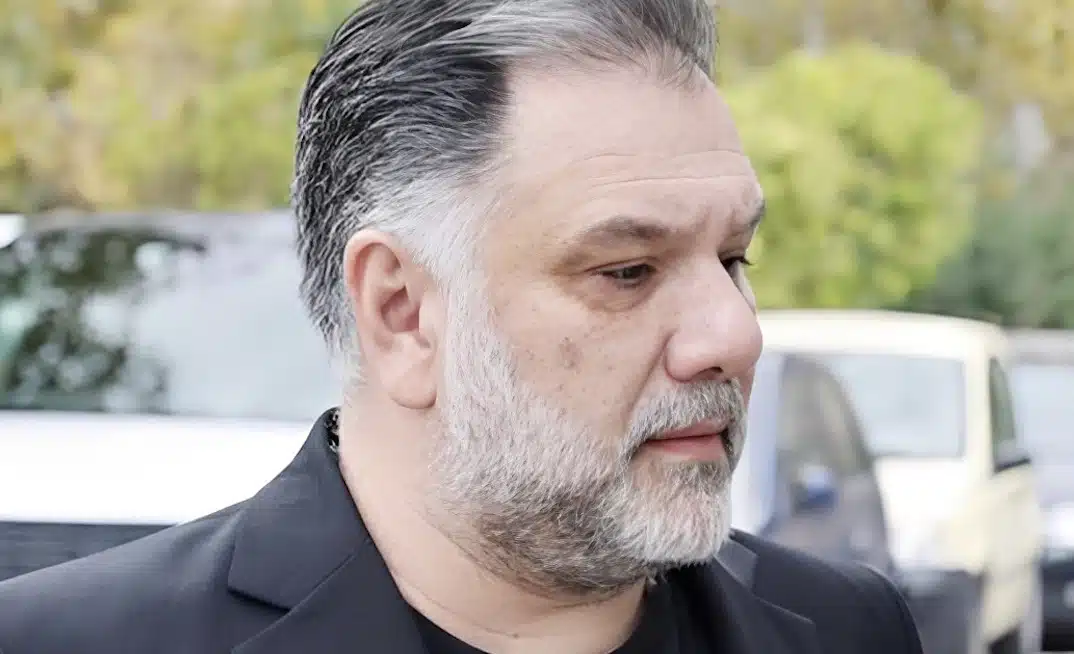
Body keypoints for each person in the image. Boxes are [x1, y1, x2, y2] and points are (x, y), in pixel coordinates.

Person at [0, 1, 925, 653]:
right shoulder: (69, 640)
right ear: (402, 312)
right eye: (627, 271)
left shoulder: (849, 629)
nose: (732, 334)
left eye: (732, 259)